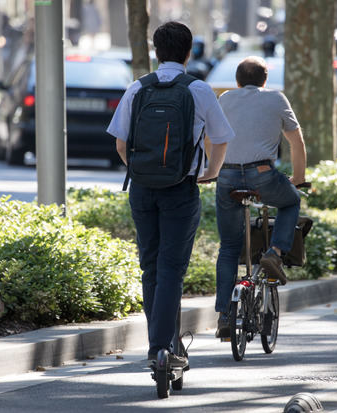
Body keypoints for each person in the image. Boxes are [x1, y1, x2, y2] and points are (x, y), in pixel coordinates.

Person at [107, 21, 235, 367]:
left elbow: (121, 143)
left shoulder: (138, 88)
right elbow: (222, 137)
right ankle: (162, 349)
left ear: (155, 51)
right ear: (189, 52)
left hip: (142, 189)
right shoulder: (199, 89)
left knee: (150, 268)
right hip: (181, 189)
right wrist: (211, 172)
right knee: (170, 270)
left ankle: (162, 345)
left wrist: (142, 169)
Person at [214, 56, 306, 338]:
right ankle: (274, 253)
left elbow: (212, 139)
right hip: (263, 175)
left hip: (226, 177)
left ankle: (225, 317)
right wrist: (298, 178)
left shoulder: (226, 98)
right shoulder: (276, 98)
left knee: (229, 247)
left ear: (238, 81)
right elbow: (296, 141)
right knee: (291, 201)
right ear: (265, 81)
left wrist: (211, 171)